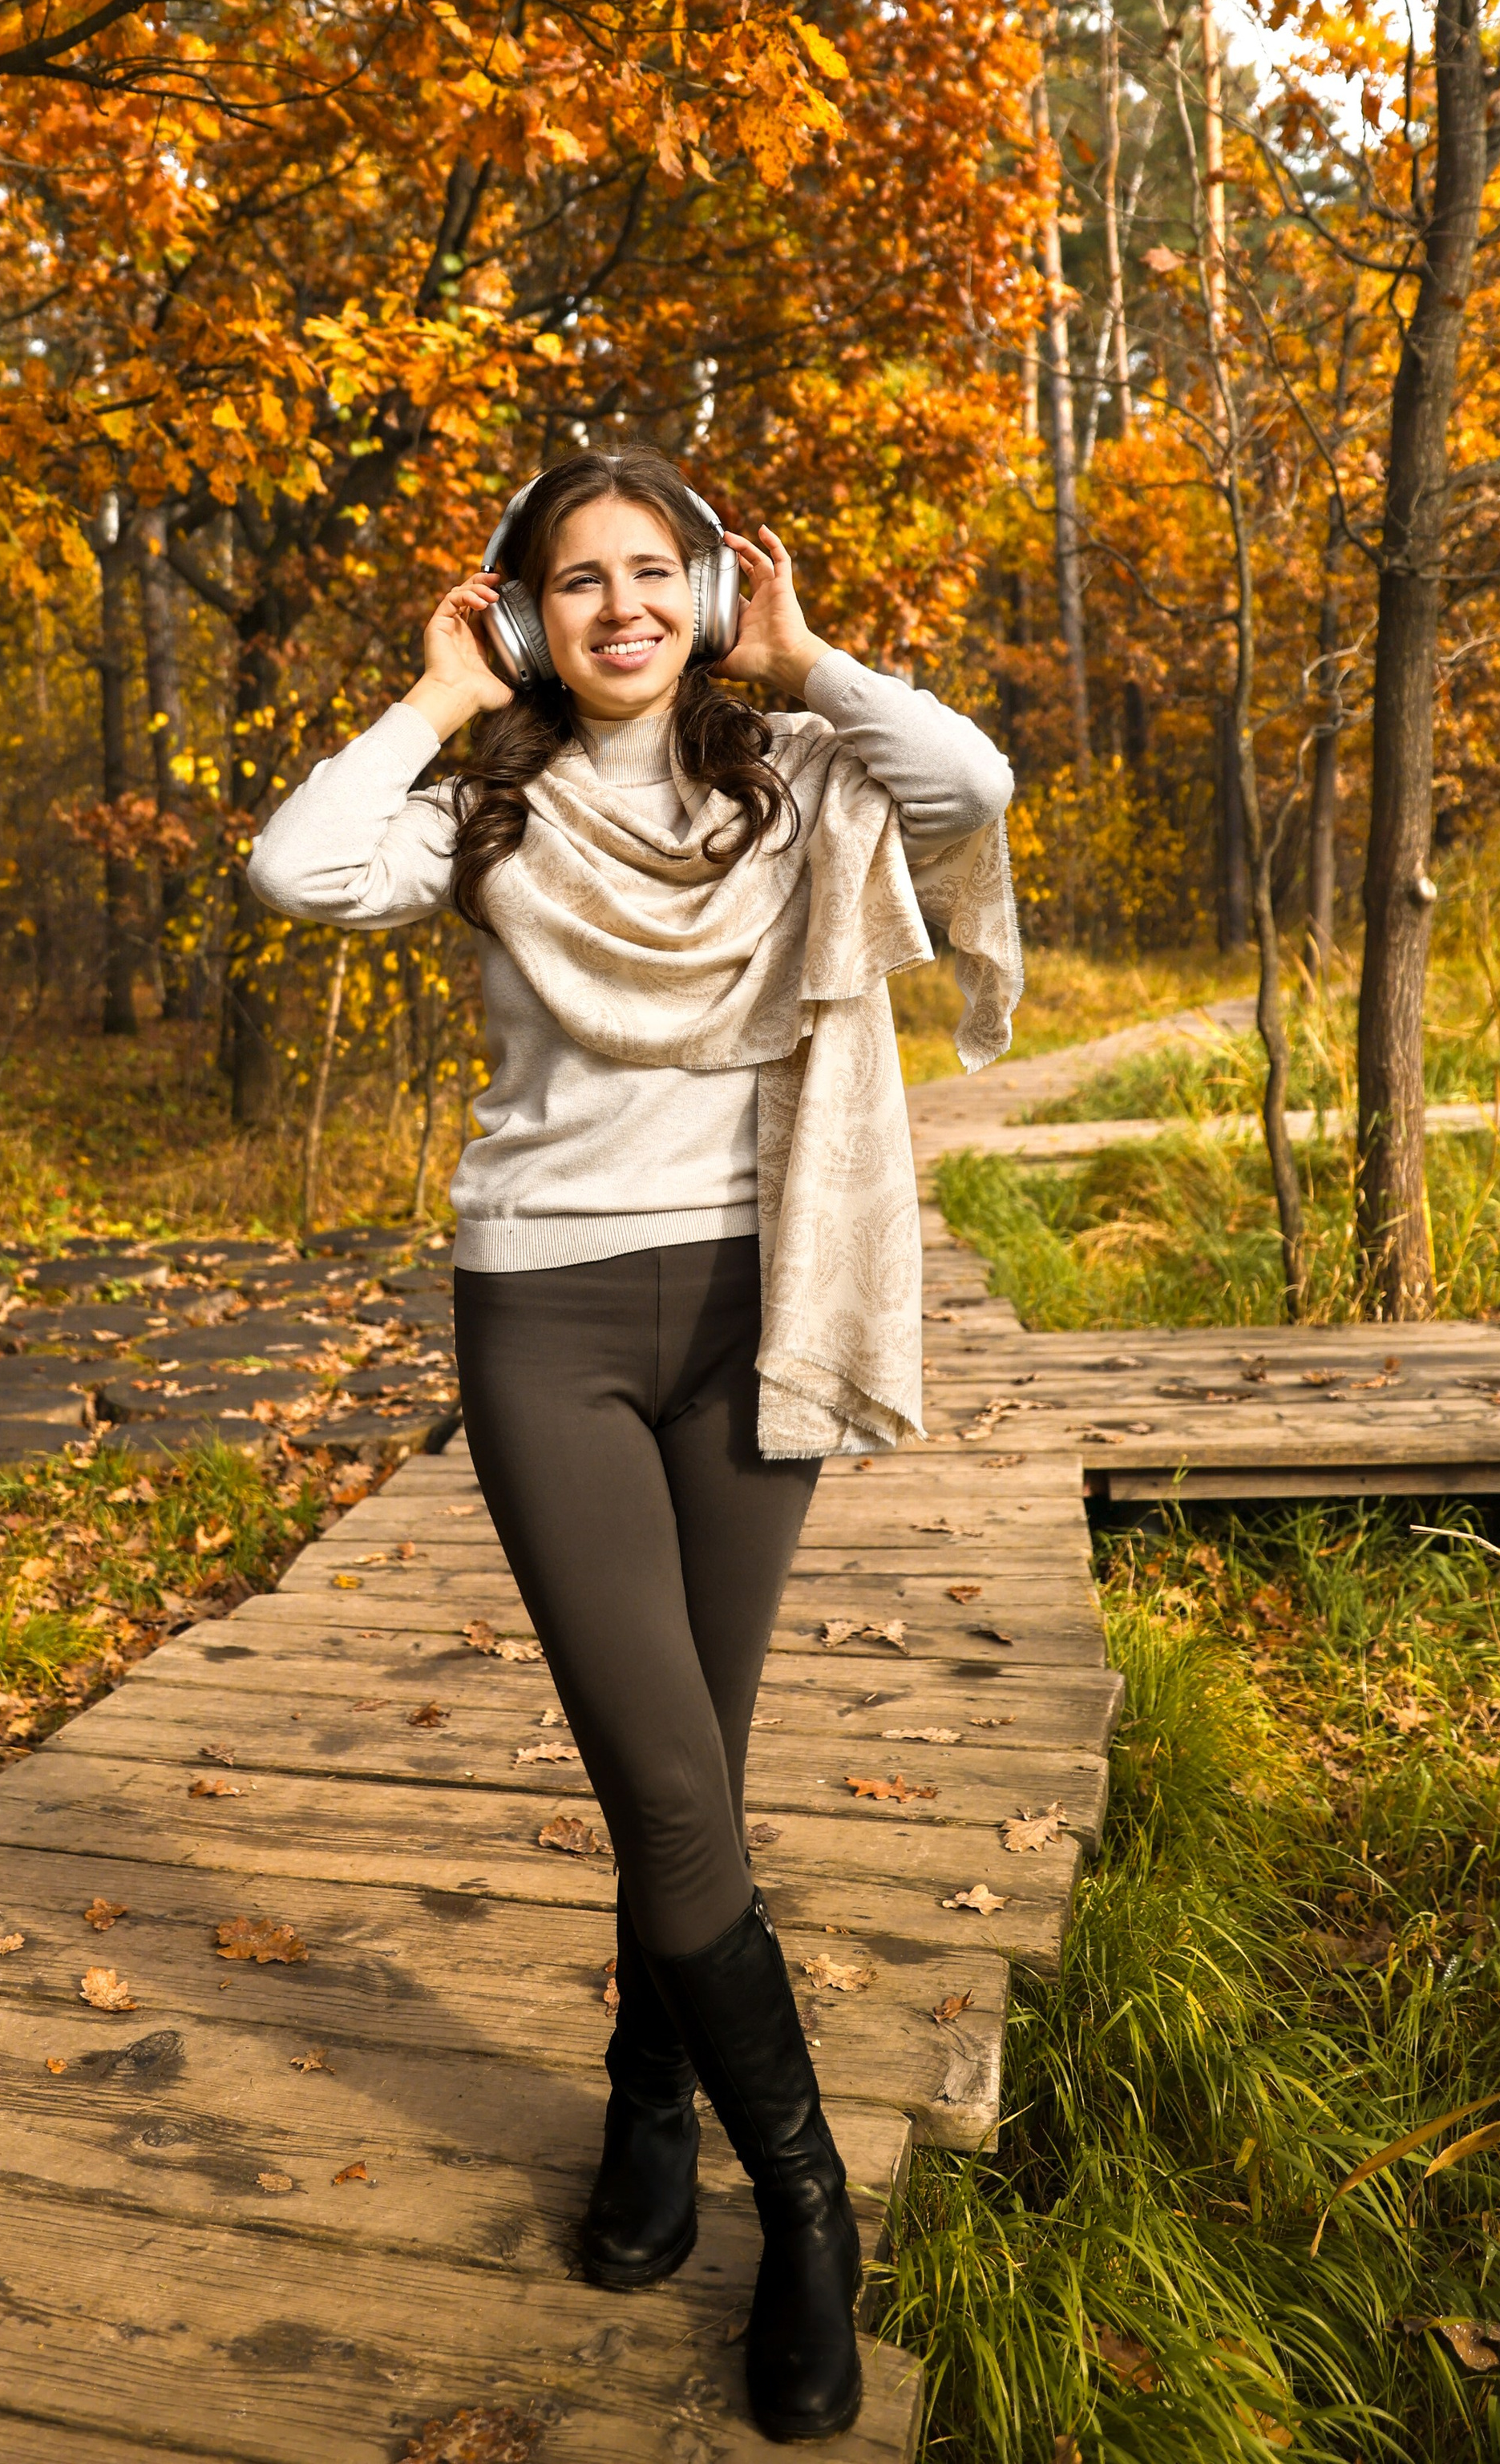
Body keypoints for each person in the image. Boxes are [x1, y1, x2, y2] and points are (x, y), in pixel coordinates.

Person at [250, 445, 1017, 2445]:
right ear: (524, 612)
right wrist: (432, 698)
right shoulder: (484, 811)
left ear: (699, 589)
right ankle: (808, 2210)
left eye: (649, 571)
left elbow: (974, 789)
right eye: (571, 580)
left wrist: (808, 652)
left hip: (754, 1308)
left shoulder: (785, 780)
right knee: (669, 1784)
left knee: (689, 1763)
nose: (617, 607)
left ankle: (642, 2099)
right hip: (552, 1324)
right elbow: (293, 867)